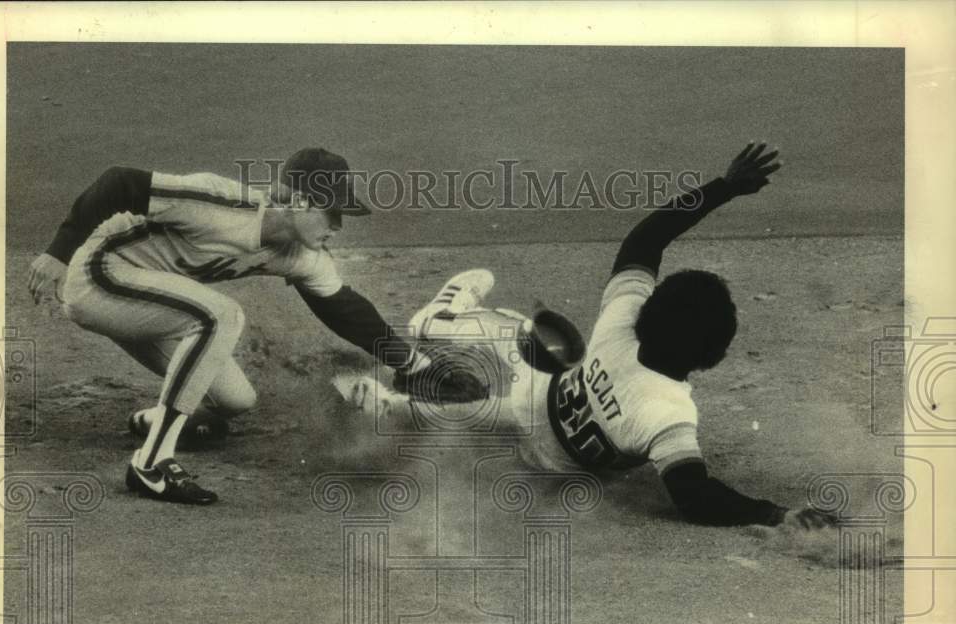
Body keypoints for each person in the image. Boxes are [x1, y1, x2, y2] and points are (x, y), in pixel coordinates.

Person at [342, 143, 837, 529]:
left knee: (517, 338)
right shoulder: (668, 416)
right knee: (498, 391)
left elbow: (645, 239)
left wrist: (724, 187)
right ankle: (391, 402)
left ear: (649, 312)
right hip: (549, 465)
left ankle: (434, 326)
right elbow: (696, 497)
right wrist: (776, 513)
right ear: (712, 356)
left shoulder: (621, 320)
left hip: (534, 394)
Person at [31, 148, 429, 505]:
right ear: (301, 201)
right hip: (97, 278)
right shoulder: (221, 204)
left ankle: (151, 420)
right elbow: (119, 182)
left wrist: (413, 365)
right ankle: (149, 465)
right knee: (221, 315)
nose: (339, 225)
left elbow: (345, 309)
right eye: (333, 212)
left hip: (150, 304)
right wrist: (58, 253)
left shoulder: (301, 255)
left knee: (234, 401)